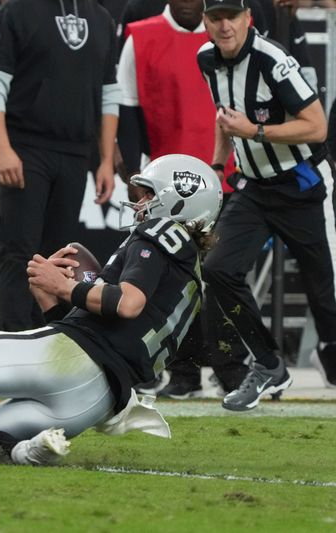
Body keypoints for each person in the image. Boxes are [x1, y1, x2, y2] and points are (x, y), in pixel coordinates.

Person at [0, 154, 223, 465]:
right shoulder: (189, 279)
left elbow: (128, 304)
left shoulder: (162, 232)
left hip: (70, 358)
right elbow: (110, 326)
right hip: (96, 401)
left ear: (179, 201)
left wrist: (65, 286)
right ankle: (28, 451)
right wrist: (48, 293)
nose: (140, 202)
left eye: (148, 194)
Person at [198, 0, 336, 410]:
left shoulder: (273, 59)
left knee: (325, 295)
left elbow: (317, 126)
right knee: (218, 268)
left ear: (248, 19)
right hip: (255, 188)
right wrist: (216, 166)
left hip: (301, 185)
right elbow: (224, 118)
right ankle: (269, 362)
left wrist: (256, 131)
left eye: (231, 17)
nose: (224, 26)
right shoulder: (206, 58)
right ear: (205, 22)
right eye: (216, 18)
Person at [117, 0, 248, 398]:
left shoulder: (232, 38)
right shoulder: (140, 36)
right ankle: (182, 372)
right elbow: (127, 111)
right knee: (173, 284)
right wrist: (136, 179)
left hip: (225, 180)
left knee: (223, 279)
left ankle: (235, 373)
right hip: (166, 190)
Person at [0, 0, 119, 331]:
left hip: (75, 152)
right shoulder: (15, 11)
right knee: (20, 254)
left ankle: (53, 342)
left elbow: (109, 91)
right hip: (25, 148)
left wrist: (106, 160)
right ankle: (15, 346)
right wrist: (2, 149)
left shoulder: (100, 18)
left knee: (62, 257)